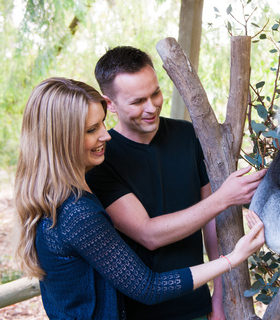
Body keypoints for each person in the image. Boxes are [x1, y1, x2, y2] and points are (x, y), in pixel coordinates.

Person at [14, 77, 265, 320]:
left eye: (102, 123)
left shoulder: (57, 197)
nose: (106, 135)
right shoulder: (77, 213)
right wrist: (233, 258)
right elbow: (149, 287)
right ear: (60, 140)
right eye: (92, 130)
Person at [86, 46, 266, 320]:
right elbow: (149, 235)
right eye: (137, 101)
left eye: (155, 93)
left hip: (195, 302)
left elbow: (212, 222)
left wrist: (219, 296)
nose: (151, 107)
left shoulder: (188, 135)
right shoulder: (101, 159)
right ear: (108, 104)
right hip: (136, 311)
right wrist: (223, 198)